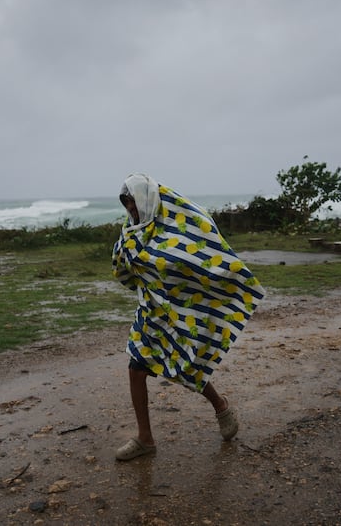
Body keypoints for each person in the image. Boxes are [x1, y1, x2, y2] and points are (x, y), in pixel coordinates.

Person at [111, 173, 265, 461]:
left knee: (185, 364)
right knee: (136, 368)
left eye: (133, 202)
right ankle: (145, 439)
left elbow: (201, 257)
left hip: (180, 310)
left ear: (146, 198)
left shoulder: (179, 229)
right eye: (126, 204)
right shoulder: (131, 231)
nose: (130, 209)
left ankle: (221, 406)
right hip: (150, 312)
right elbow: (124, 265)